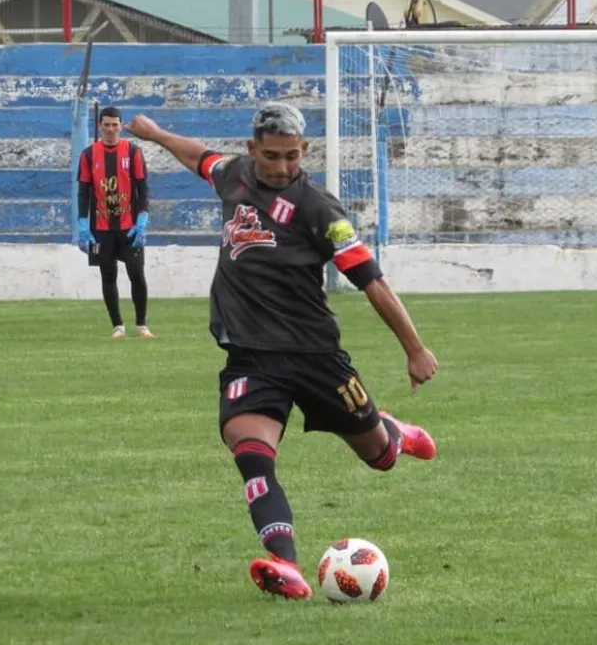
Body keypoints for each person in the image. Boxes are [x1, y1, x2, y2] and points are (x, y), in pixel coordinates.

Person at [124, 102, 439, 600]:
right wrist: (158, 134)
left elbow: (371, 281)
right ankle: (284, 564)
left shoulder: (319, 209)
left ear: (304, 150)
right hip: (250, 356)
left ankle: (392, 432)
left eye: (293, 155)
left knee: (379, 460)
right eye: (272, 156)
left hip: (316, 356)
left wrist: (415, 349)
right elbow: (198, 157)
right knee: (251, 453)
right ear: (253, 150)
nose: (283, 166)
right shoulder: (233, 176)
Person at [77, 106, 155, 339]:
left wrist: (142, 219)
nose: (110, 129)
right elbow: (83, 191)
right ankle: (118, 326)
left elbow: (143, 188)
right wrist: (83, 224)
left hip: (129, 226)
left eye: (115, 125)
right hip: (101, 227)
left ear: (122, 126)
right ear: (100, 126)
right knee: (108, 275)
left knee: (136, 273)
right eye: (106, 124)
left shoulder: (133, 152)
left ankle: (141, 325)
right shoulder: (89, 154)